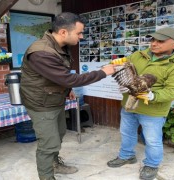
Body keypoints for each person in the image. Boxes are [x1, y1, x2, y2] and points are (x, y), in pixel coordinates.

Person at [20, 12, 116, 180]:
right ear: (64, 32)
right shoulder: (41, 52)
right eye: (79, 33)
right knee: (48, 144)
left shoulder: (60, 46)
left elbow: (59, 75)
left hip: (54, 98)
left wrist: (67, 88)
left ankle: (55, 164)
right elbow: (68, 77)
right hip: (41, 104)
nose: (81, 36)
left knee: (59, 134)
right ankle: (47, 177)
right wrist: (102, 72)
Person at [107, 27, 174, 180]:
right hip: (129, 105)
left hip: (153, 111)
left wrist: (152, 95)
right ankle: (126, 156)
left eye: (160, 41)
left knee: (152, 140)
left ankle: (152, 165)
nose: (154, 44)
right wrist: (117, 68)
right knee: (126, 133)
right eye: (153, 39)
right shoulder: (139, 55)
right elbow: (124, 65)